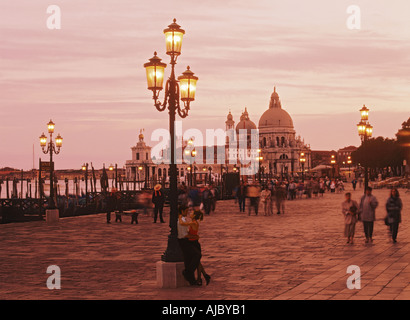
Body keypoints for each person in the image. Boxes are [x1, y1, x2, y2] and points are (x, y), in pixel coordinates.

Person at [181, 210, 211, 286]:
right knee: (198, 262)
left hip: (194, 243)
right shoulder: (193, 222)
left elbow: (183, 224)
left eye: (191, 213)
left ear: (194, 215)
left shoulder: (194, 223)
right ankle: (203, 276)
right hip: (193, 242)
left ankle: (200, 278)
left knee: (197, 261)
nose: (190, 213)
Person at [178, 206, 202, 286]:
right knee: (194, 258)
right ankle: (195, 277)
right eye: (187, 211)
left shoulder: (192, 222)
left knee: (196, 257)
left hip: (192, 242)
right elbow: (185, 233)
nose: (189, 213)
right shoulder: (188, 221)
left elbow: (184, 226)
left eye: (191, 212)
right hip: (188, 241)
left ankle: (193, 276)